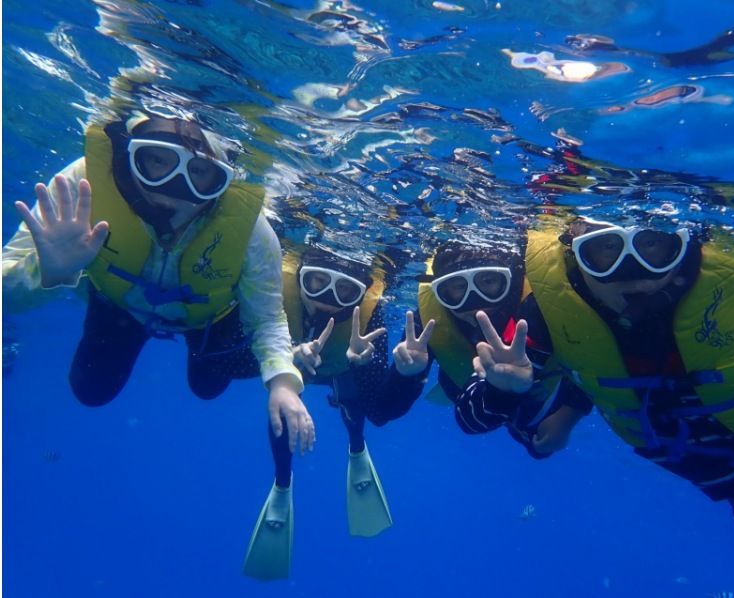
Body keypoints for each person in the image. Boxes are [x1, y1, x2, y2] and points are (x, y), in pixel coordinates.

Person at [2, 110, 315, 547]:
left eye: (201, 174)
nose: (175, 191)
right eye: (157, 161)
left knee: (206, 386)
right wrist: (48, 271)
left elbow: (267, 316)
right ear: (130, 155)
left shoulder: (253, 232)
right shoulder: (83, 186)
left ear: (223, 180)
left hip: (206, 320)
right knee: (90, 389)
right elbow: (6, 293)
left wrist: (283, 381)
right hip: (118, 309)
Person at [524, 217, 734, 596]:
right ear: (573, 244)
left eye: (652, 245)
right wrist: (539, 404)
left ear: (685, 242)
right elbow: (581, 365)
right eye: (605, 251)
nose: (631, 272)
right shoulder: (550, 307)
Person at [243, 246, 392, 580]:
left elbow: (377, 399)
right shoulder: (278, 293)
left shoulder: (371, 315)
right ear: (299, 277)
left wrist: (365, 363)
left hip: (343, 366)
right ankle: (282, 484)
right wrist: (285, 360)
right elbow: (244, 346)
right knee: (283, 401)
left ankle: (357, 447)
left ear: (361, 293)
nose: (327, 298)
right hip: (293, 360)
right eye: (317, 282)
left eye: (345, 290)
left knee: (351, 396)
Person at [384, 239, 593, 459]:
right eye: (457, 288)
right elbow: (383, 412)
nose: (475, 302)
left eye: (488, 281)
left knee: (538, 444)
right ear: (441, 293)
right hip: (462, 385)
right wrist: (405, 375)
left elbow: (592, 355)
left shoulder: (538, 309)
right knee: (536, 441)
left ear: (511, 280)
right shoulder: (428, 323)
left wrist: (570, 414)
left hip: (541, 388)